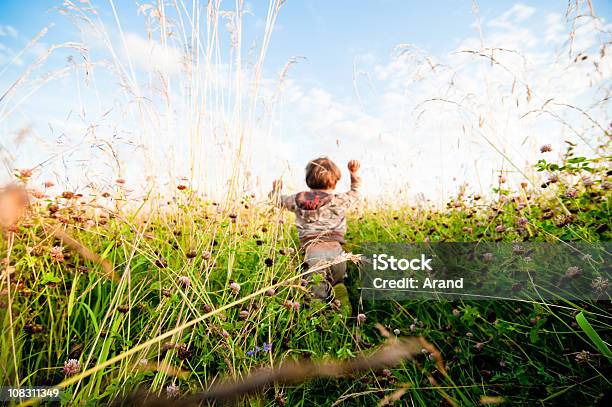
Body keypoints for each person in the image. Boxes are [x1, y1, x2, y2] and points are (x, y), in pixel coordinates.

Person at [271, 157, 361, 314]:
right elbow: (356, 193)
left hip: (313, 254)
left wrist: (276, 190)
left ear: (308, 180)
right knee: (337, 284)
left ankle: (318, 321)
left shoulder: (298, 200)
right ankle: (341, 312)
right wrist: (353, 174)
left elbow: (276, 200)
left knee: (316, 293)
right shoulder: (338, 200)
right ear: (334, 182)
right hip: (337, 253)